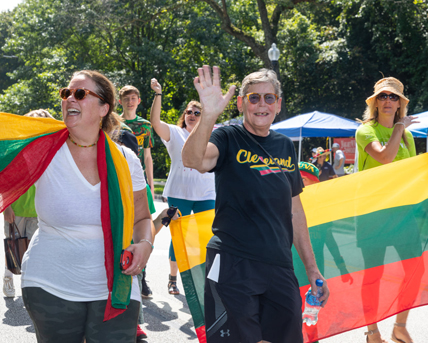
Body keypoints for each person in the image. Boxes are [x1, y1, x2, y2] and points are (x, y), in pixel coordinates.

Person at [0, 69, 153, 343]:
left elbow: (142, 219)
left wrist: (144, 244)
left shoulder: (126, 159)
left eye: (80, 94)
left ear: (104, 108)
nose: (70, 99)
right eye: (66, 93)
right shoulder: (42, 151)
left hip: (115, 286)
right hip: (50, 285)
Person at [182, 65, 329, 343]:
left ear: (278, 104)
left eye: (269, 98)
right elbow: (193, 160)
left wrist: (312, 268)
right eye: (253, 98)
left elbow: (295, 210)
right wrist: (209, 115)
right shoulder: (227, 137)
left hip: (279, 264)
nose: (262, 104)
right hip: (234, 261)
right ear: (241, 103)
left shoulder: (285, 146)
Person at [355, 77, 419, 343]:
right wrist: (398, 129)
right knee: (374, 276)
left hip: (404, 215)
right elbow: (385, 157)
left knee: (415, 271)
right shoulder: (365, 131)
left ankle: (400, 326)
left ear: (400, 104)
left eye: (394, 97)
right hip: (373, 215)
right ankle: (372, 332)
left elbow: (411, 172)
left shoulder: (408, 135)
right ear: (375, 102)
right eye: (383, 96)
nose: (388, 101)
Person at [149, 78, 215, 295]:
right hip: (180, 194)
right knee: (179, 238)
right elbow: (155, 122)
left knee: (207, 237)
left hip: (207, 194)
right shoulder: (175, 133)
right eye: (189, 112)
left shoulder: (212, 135)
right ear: (184, 115)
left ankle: (205, 281)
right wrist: (158, 94)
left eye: (197, 113)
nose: (192, 115)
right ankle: (172, 278)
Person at [2, 109, 54, 298]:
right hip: (16, 207)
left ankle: (30, 286)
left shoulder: (50, 148)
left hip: (39, 209)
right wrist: (6, 207)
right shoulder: (15, 148)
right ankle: (8, 276)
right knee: (13, 246)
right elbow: (5, 180)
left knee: (33, 250)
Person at [118, 85, 155, 299]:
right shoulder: (113, 121)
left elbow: (148, 156)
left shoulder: (145, 126)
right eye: (126, 98)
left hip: (138, 180)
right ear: (120, 101)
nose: (130, 102)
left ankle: (142, 277)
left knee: (144, 225)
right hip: (119, 178)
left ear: (139, 101)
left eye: (134, 98)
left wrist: (149, 183)